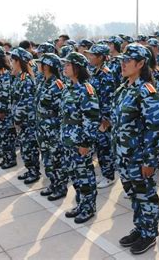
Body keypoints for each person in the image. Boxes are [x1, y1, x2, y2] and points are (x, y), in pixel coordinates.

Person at [112, 44, 159, 255]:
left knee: (146, 195)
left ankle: (150, 233)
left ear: (141, 64)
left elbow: (155, 129)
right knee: (134, 195)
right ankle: (140, 227)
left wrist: (150, 161)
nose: (122, 64)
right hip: (124, 155)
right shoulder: (124, 88)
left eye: (128, 60)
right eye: (122, 59)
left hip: (139, 157)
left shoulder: (147, 92)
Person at [61, 52, 100, 224]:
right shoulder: (68, 86)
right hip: (69, 138)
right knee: (75, 175)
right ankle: (81, 203)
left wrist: (86, 142)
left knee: (85, 176)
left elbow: (92, 118)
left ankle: (89, 207)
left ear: (77, 68)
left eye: (68, 65)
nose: (65, 67)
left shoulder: (86, 89)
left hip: (80, 140)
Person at [35, 53, 68, 201]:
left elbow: (62, 111)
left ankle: (61, 187)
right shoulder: (42, 81)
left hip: (53, 129)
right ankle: (53, 183)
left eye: (40, 63)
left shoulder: (58, 85)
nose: (38, 66)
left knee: (57, 160)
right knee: (47, 159)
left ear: (47, 66)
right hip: (42, 128)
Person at [85, 44, 117, 189]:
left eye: (93, 55)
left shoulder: (106, 74)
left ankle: (109, 175)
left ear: (101, 57)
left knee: (105, 147)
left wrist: (106, 119)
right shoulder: (95, 72)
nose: (90, 57)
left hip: (103, 118)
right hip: (96, 117)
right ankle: (104, 172)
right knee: (99, 146)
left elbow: (108, 99)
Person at [10, 48, 40, 184]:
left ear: (18, 61)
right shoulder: (19, 77)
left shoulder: (25, 79)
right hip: (22, 121)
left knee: (30, 147)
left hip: (27, 121)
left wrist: (17, 119)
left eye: (12, 60)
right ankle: (30, 170)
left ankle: (34, 172)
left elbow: (25, 103)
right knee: (24, 147)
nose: (11, 63)